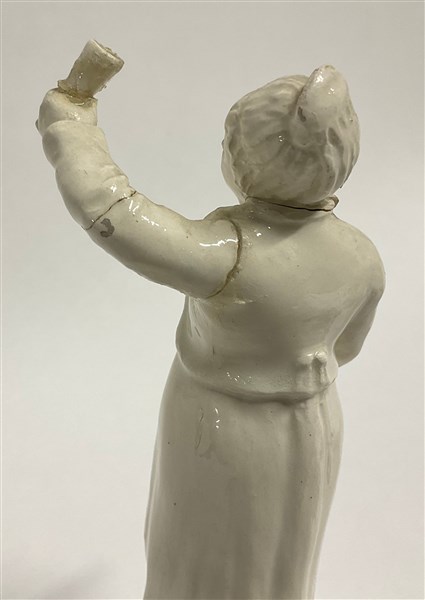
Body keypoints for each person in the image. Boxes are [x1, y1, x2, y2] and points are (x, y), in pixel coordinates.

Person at [38, 63, 385, 600]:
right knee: (281, 558)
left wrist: (71, 125)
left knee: (206, 553)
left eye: (228, 143)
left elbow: (115, 214)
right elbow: (348, 347)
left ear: (245, 164)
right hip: (315, 425)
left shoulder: (231, 255)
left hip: (223, 427)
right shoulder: (363, 255)